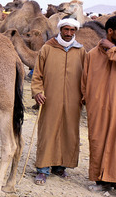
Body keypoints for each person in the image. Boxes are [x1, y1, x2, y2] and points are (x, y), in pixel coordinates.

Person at [81, 15, 116, 197]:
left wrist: (113, 49)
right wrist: (88, 99)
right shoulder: (92, 55)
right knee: (98, 140)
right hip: (99, 107)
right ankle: (102, 180)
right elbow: (85, 80)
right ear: (110, 31)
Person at [31, 18, 86, 185]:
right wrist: (37, 92)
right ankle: (42, 169)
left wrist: (85, 94)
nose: (69, 33)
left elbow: (86, 76)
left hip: (73, 99)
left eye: (72, 30)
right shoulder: (47, 48)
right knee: (48, 131)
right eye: (66, 30)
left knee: (68, 131)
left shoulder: (80, 51)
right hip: (50, 98)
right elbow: (37, 74)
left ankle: (60, 167)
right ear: (60, 29)